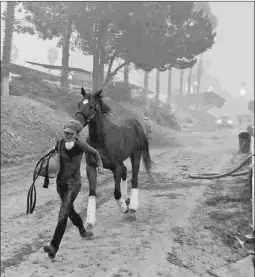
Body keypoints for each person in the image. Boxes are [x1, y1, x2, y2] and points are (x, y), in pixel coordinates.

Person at [43, 120, 104, 259]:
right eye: (66, 132)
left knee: (63, 214)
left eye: (71, 133)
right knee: (69, 211)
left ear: (76, 134)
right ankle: (82, 230)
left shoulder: (80, 144)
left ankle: (53, 247)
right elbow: (52, 155)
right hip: (61, 184)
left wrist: (99, 165)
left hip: (73, 184)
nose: (68, 135)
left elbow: (95, 153)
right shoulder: (59, 143)